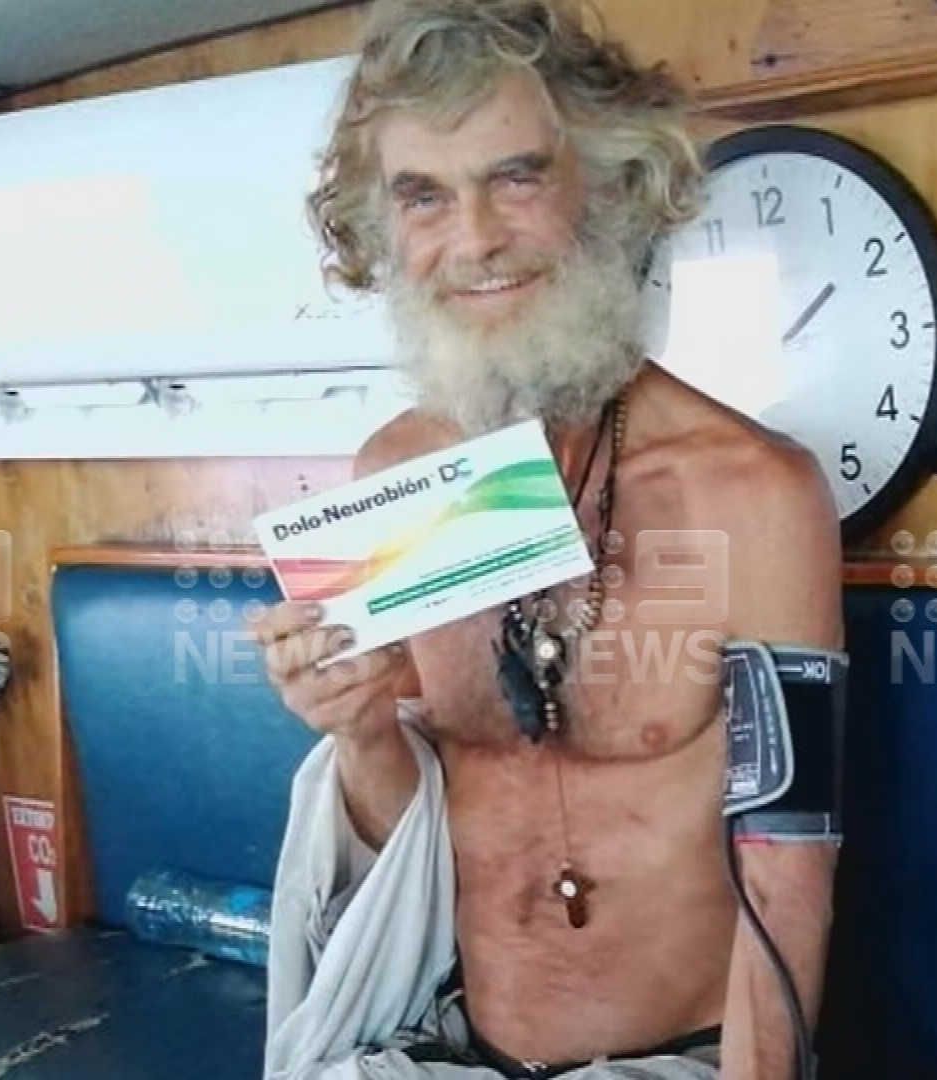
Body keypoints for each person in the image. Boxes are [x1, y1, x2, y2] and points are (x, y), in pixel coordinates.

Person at [256, 1, 844, 1077]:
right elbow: (414, 842)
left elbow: (786, 875)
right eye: (424, 196)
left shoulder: (755, 492)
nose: (474, 239)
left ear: (610, 188)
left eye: (515, 177)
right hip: (446, 1051)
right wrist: (359, 733)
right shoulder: (400, 479)